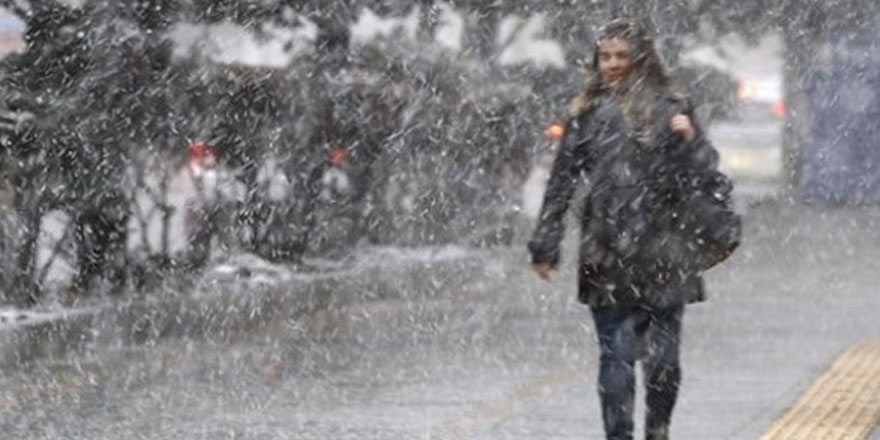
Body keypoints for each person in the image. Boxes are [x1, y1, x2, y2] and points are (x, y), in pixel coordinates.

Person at [527, 19, 734, 440]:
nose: (613, 65)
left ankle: (658, 430)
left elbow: (707, 175)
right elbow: (562, 181)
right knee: (616, 356)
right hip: (607, 251)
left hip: (666, 249)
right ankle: (619, 435)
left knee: (664, 362)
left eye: (622, 55)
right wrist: (546, 243)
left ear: (642, 58)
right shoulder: (584, 115)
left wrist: (690, 138)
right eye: (606, 56)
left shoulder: (674, 107)